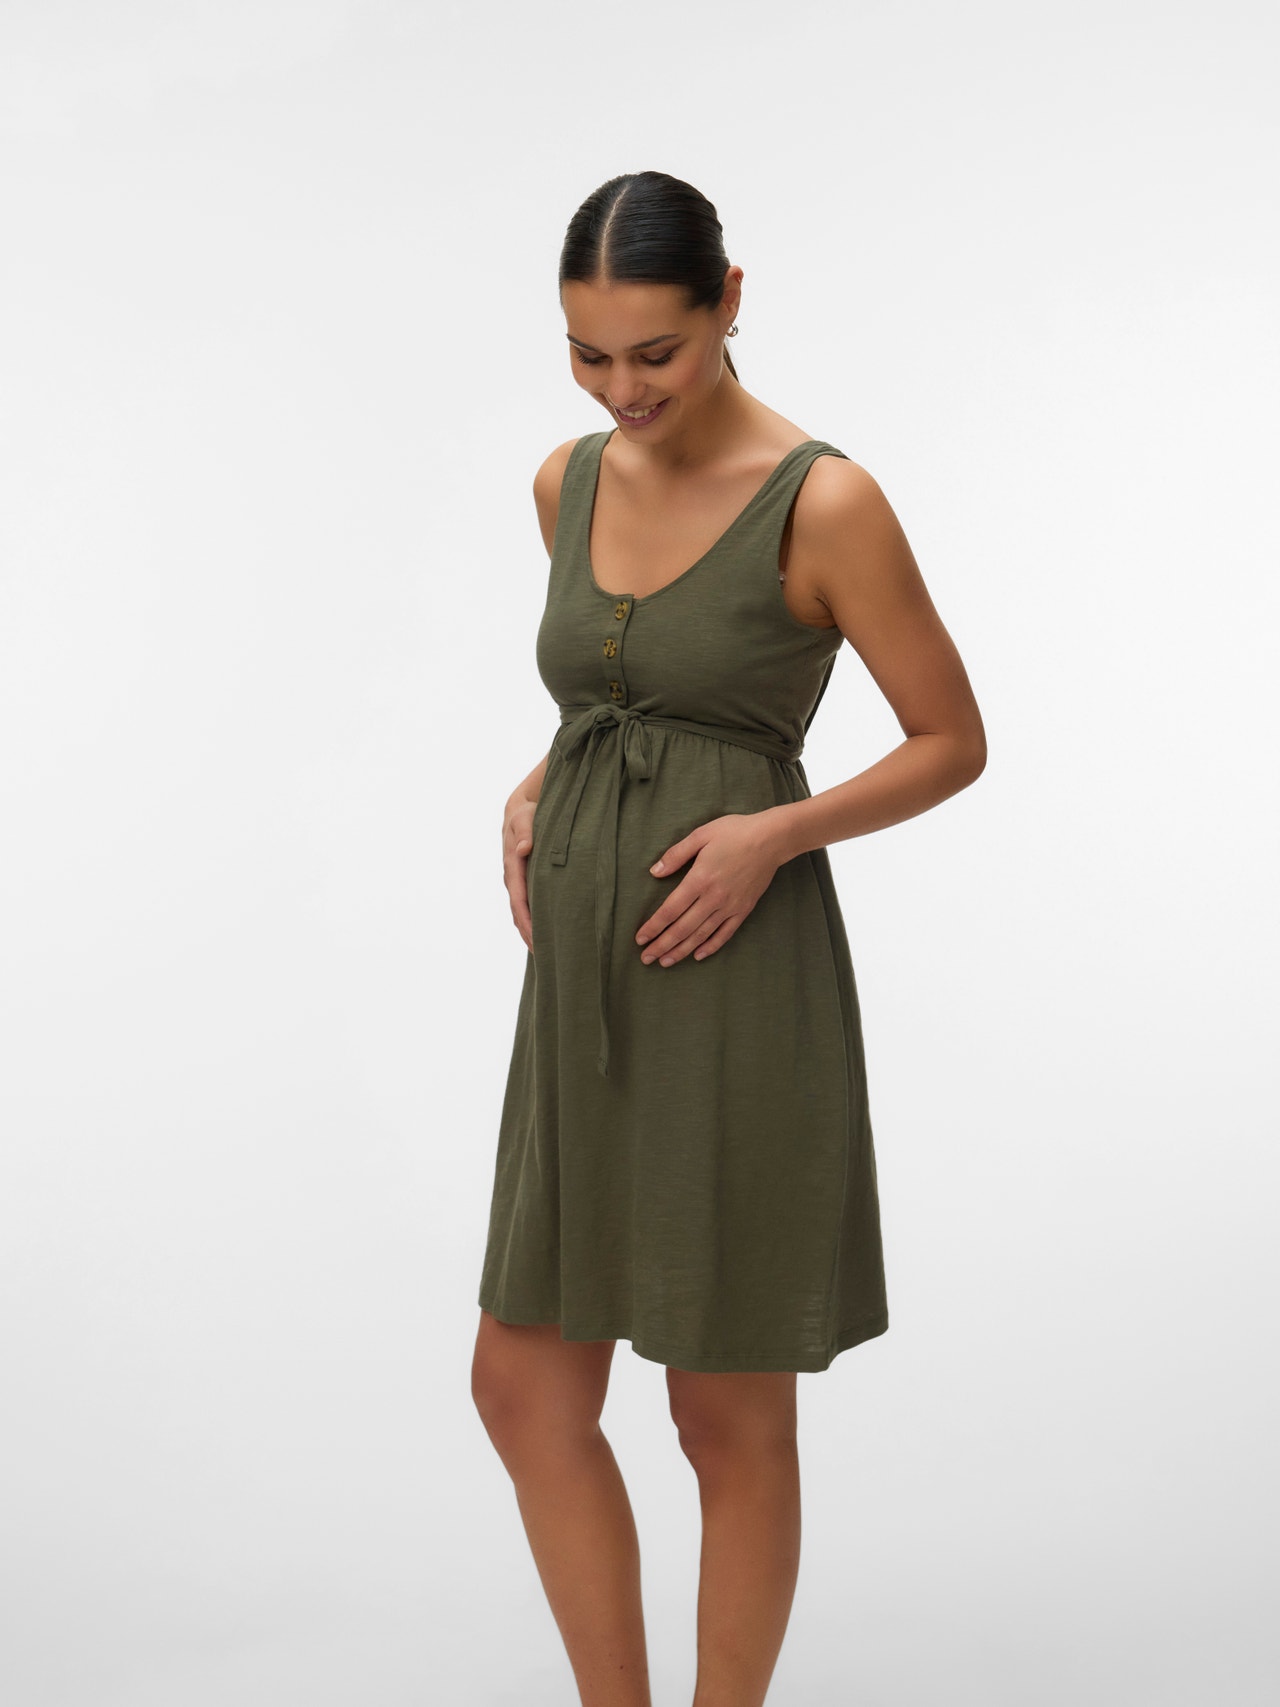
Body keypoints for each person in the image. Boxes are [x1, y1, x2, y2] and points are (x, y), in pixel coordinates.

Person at [470, 170, 986, 1707]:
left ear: (730, 302)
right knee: (522, 1387)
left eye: (657, 353)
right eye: (588, 354)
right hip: (578, 1000)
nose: (621, 391)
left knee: (724, 1414)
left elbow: (951, 739)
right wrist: (539, 779)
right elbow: (620, 693)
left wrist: (779, 831)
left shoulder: (824, 501)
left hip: (735, 982)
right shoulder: (565, 482)